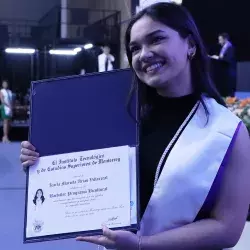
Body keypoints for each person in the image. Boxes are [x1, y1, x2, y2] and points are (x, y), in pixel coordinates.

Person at [20, 2, 250, 250]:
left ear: (190, 45)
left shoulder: (226, 131)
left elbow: (227, 228)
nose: (144, 54)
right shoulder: (121, 117)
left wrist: (143, 244)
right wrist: (42, 165)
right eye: (134, 48)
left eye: (156, 39)